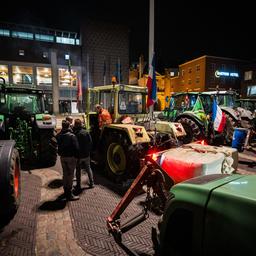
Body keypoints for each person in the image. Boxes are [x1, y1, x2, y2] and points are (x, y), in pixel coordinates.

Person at [56, 120, 79, 201]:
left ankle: (65, 191)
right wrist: (76, 157)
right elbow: (76, 148)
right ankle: (69, 195)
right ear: (69, 126)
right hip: (70, 158)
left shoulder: (59, 135)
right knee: (70, 176)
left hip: (62, 158)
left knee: (65, 174)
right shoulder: (72, 136)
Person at [73, 118, 94, 191]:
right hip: (86, 155)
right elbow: (90, 142)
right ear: (81, 124)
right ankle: (92, 183)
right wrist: (88, 151)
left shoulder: (74, 133)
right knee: (88, 168)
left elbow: (74, 145)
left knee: (78, 170)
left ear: (75, 125)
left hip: (78, 156)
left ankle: (78, 186)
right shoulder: (86, 132)